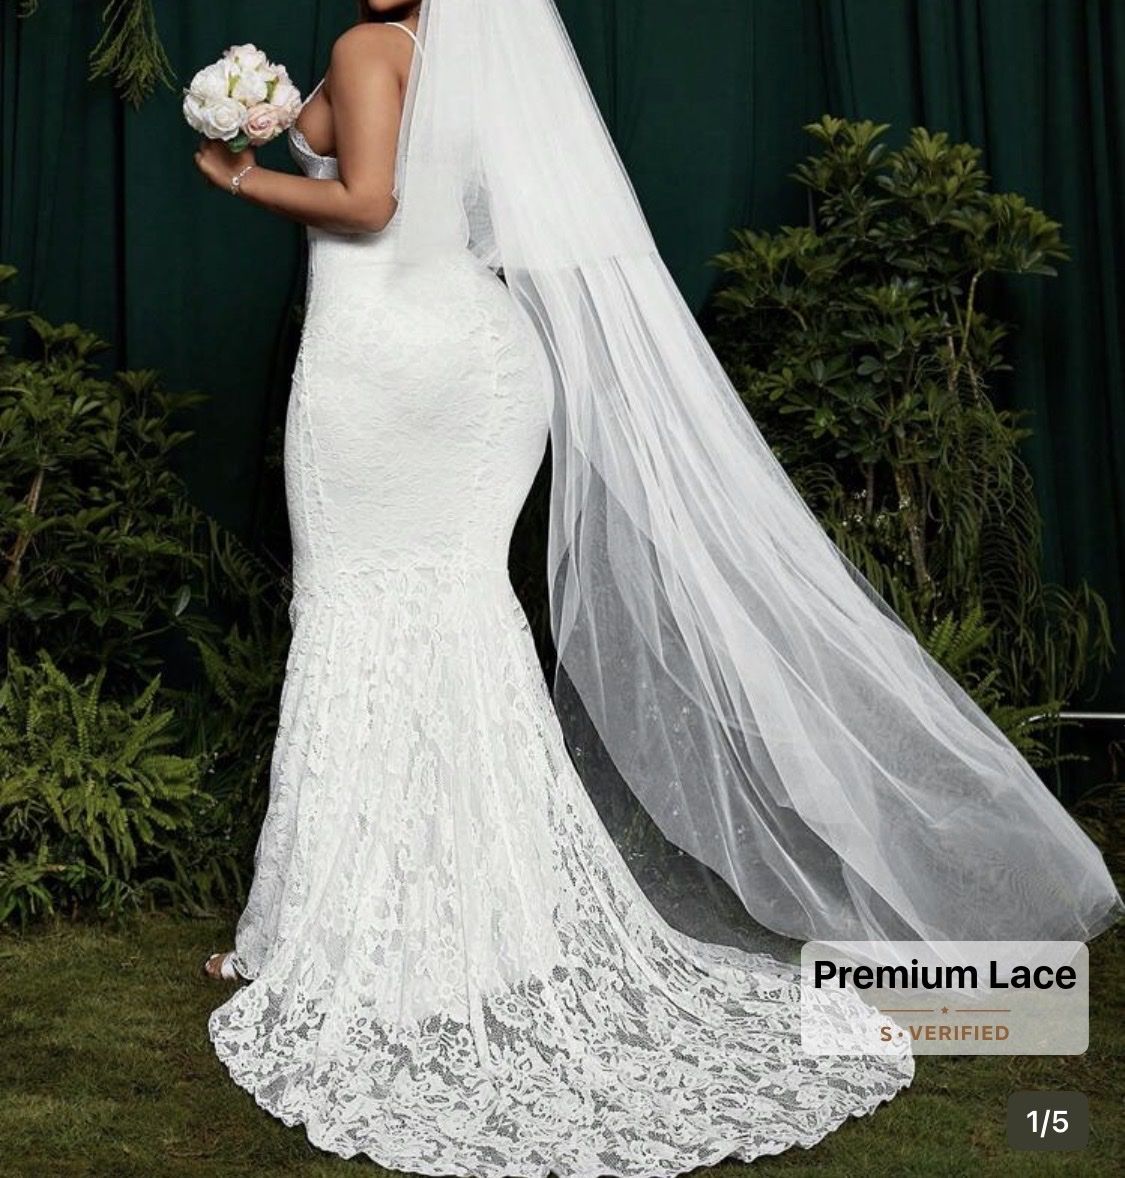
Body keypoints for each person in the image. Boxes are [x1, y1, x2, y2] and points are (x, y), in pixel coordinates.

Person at [193, 2, 1120, 1173]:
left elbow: (371, 204)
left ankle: (338, 934)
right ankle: (479, 924)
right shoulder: (462, 57)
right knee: (454, 616)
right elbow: (411, 179)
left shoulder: (367, 50)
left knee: (361, 608)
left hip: (387, 368)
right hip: (482, 362)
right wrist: (276, 119)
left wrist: (240, 177)